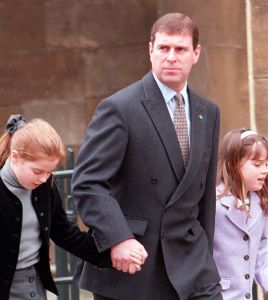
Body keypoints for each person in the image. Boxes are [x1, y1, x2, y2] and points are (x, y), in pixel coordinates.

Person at [72, 12, 222, 300]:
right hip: (133, 267)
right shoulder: (119, 108)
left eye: (180, 49)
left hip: (192, 264)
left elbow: (203, 199)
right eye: (163, 48)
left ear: (196, 54)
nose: (171, 57)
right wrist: (117, 238)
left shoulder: (208, 112)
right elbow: (88, 184)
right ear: (150, 49)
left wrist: (207, 256)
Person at [0, 114, 143, 300]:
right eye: (38, 171)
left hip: (34, 282)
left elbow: (64, 232)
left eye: (50, 172)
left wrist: (112, 252)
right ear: (16, 157)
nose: (44, 178)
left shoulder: (44, 186)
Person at [213, 128, 268, 300]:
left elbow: (261, 245)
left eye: (266, 164)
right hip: (217, 294)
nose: (265, 170)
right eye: (257, 164)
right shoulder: (214, 204)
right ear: (232, 164)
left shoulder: (261, 203)